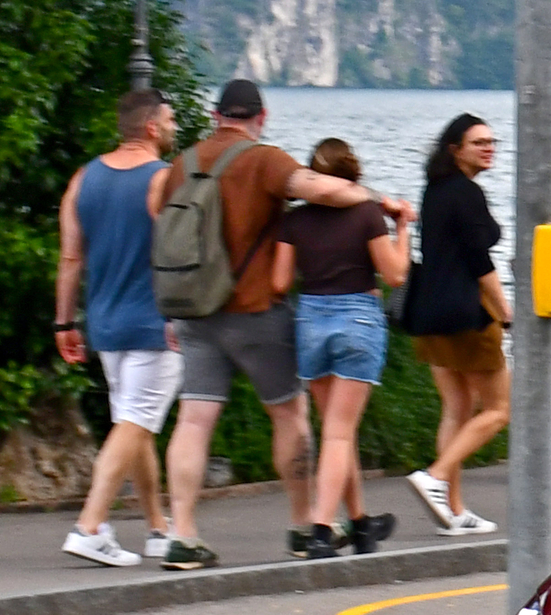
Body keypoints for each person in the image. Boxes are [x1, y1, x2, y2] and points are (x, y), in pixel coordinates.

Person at [151, 79, 407, 571]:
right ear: (261, 118)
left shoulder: (182, 163)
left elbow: (158, 218)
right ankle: (300, 526)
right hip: (254, 312)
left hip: (193, 312)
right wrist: (379, 200)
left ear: (214, 114)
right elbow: (320, 188)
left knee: (194, 419)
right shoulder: (264, 159)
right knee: (288, 416)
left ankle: (182, 536)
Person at [54, 90, 178, 568]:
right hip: (155, 324)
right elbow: (179, 254)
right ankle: (90, 526)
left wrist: (65, 321)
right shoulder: (164, 180)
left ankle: (158, 529)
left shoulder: (84, 178)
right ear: (150, 127)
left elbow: (70, 257)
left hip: (104, 325)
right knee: (134, 424)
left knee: (135, 423)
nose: (172, 127)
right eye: (168, 120)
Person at [273, 138, 407, 557]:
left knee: (335, 429)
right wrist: (403, 228)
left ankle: (362, 523)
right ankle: (321, 529)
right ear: (354, 174)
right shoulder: (367, 214)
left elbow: (279, 283)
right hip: (357, 317)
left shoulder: (294, 222)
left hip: (311, 319)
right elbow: (396, 274)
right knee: (338, 432)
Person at [402, 114, 511, 535]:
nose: (488, 148)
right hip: (468, 312)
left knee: (457, 408)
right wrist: (504, 308)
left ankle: (452, 510)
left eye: (491, 141)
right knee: (499, 409)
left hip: (431, 311)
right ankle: (436, 476)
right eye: (478, 142)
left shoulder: (435, 190)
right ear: (455, 149)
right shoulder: (466, 193)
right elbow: (478, 260)